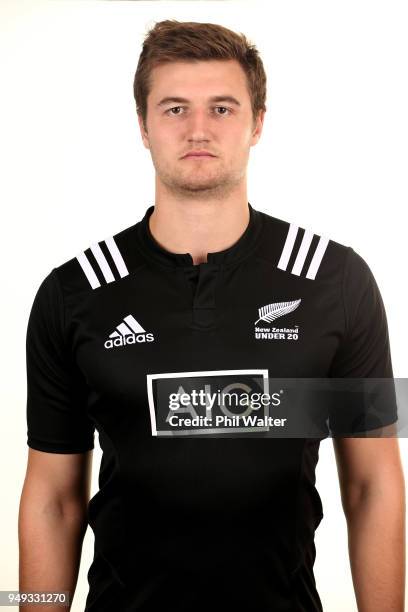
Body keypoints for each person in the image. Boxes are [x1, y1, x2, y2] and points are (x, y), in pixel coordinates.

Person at [19, 19, 405, 612]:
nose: (198, 129)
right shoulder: (73, 293)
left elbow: (372, 481)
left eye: (222, 108)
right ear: (143, 127)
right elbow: (53, 496)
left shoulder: (337, 280)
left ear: (257, 123)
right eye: (174, 109)